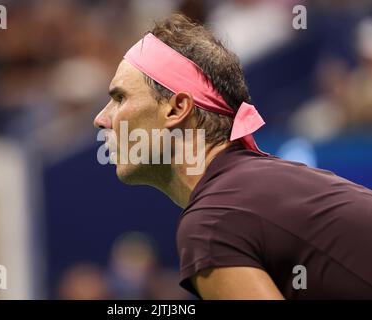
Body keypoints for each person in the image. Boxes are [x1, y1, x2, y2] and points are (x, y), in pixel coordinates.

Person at [93, 14, 372, 299]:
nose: (100, 119)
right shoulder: (246, 193)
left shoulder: (212, 221)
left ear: (177, 109)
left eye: (119, 98)